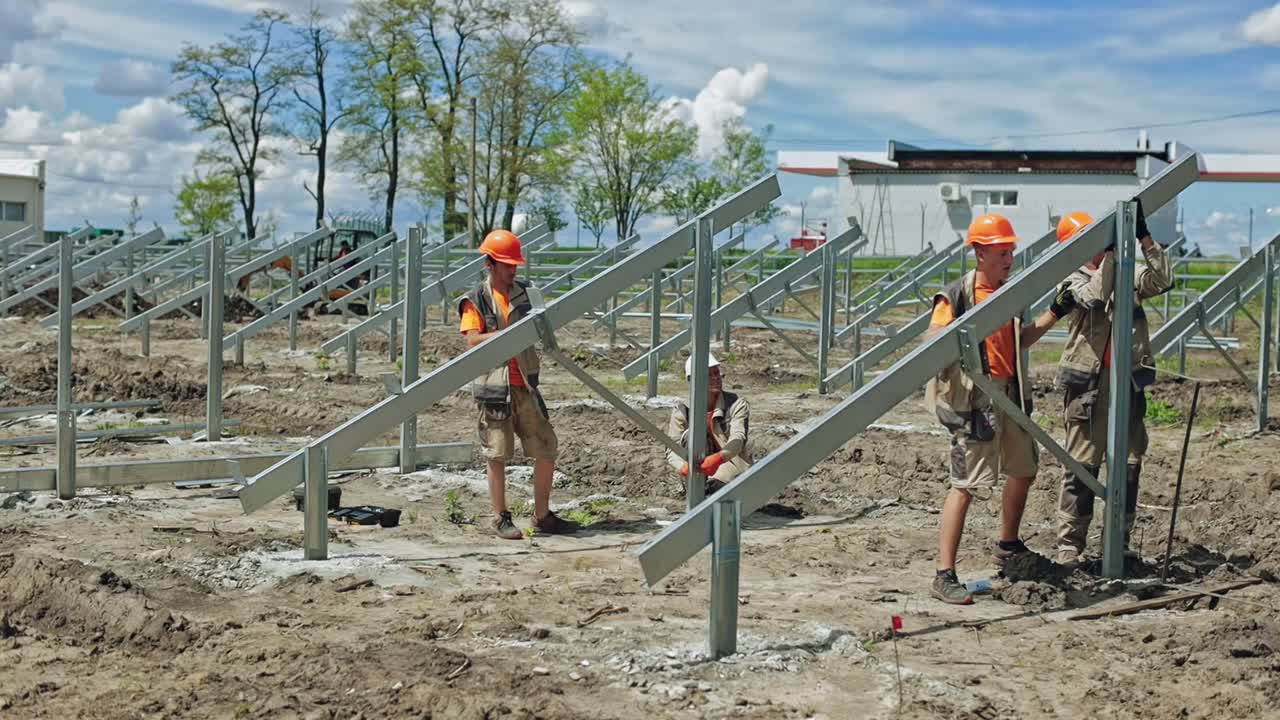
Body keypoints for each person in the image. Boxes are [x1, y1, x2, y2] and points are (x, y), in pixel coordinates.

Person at [925, 213, 1072, 605]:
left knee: (1024, 469)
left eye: (1011, 251)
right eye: (1002, 252)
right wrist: (964, 329)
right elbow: (935, 340)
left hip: (1010, 396)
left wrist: (1054, 312)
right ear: (979, 252)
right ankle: (944, 574)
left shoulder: (1009, 294)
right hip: (975, 403)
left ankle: (1007, 545)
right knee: (966, 485)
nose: (1009, 259)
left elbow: (1019, 340)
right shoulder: (955, 296)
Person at [1053, 202, 1172, 565]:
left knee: (1130, 464)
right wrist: (1110, 255)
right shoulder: (1070, 280)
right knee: (1081, 465)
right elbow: (1096, 295)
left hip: (1129, 381)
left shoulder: (1126, 271)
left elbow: (1162, 280)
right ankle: (1070, 543)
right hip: (1090, 386)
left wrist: (1144, 239)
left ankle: (1117, 541)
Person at [458, 229, 579, 540]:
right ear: (491, 264)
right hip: (495, 388)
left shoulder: (526, 293)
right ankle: (500, 518)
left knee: (546, 447)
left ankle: (542, 516)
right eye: (507, 265)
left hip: (524, 384)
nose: (513, 270)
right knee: (497, 454)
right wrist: (506, 336)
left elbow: (543, 326)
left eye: (515, 265)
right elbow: (472, 341)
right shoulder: (475, 299)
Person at [666, 354, 752, 496]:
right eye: (709, 375)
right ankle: (695, 488)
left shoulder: (736, 404)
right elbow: (672, 447)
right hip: (695, 466)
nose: (716, 378)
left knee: (716, 487)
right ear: (692, 380)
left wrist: (718, 458)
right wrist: (683, 467)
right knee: (691, 435)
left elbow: (738, 438)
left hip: (730, 463)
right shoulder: (682, 410)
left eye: (716, 373)